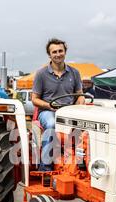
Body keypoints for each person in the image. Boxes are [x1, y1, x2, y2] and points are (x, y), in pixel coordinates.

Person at [32, 38, 85, 171]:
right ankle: (45, 168)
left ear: (65, 52)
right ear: (49, 55)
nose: (58, 54)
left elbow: (79, 95)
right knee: (51, 124)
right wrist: (49, 106)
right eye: (54, 52)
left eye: (60, 51)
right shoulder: (41, 74)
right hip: (48, 111)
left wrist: (79, 106)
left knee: (89, 127)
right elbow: (34, 99)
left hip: (69, 111)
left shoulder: (74, 73)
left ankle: (86, 164)